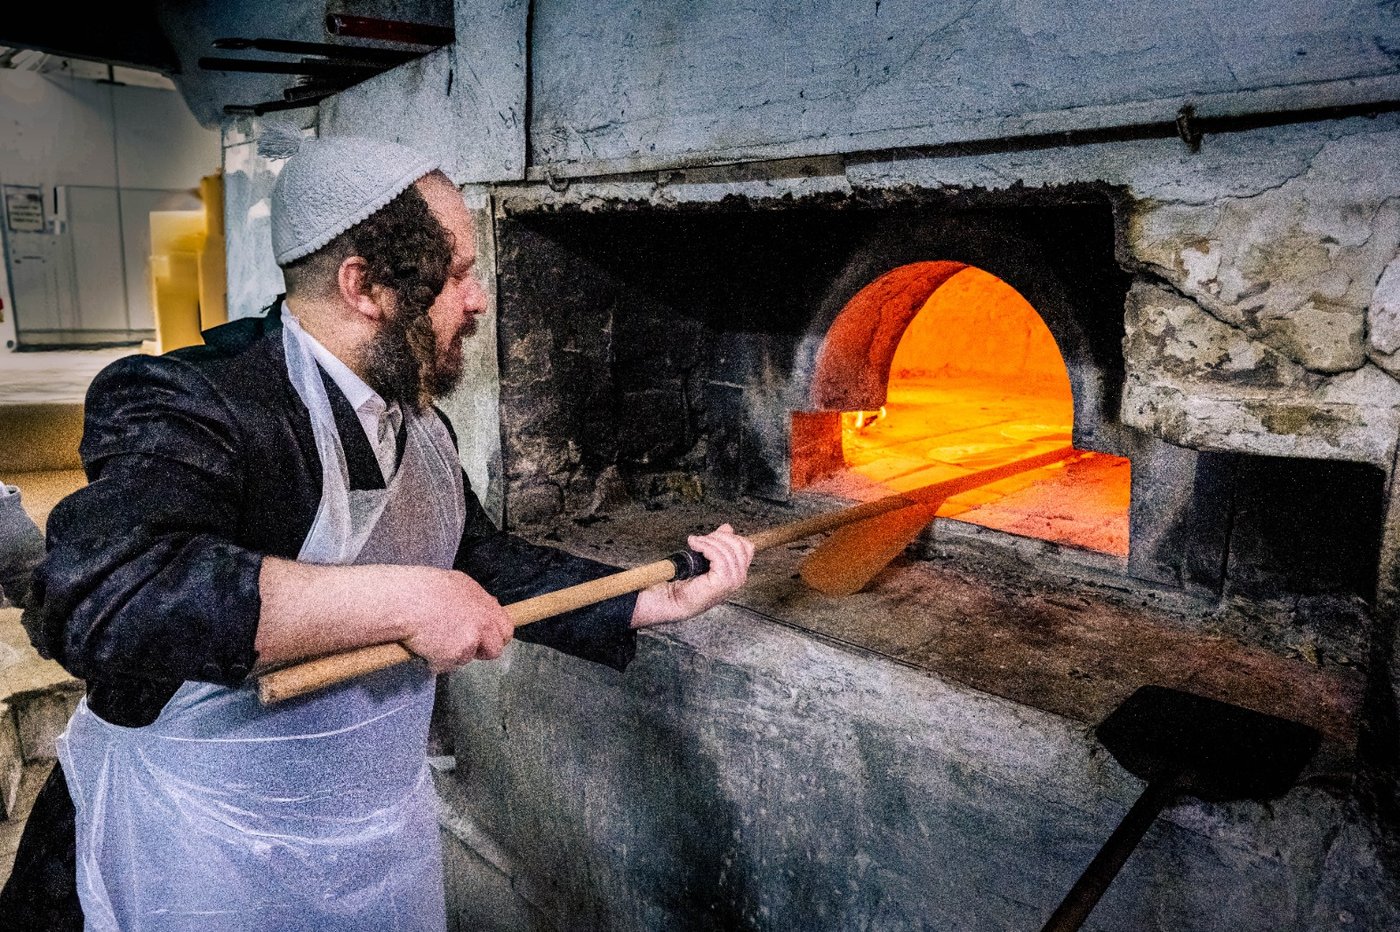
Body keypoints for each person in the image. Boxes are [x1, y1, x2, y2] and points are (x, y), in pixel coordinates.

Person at [0, 135, 754, 930]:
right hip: (186, 840)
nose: (478, 300)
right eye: (455, 274)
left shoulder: (415, 420)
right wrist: (399, 601)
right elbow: (106, 600)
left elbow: (472, 558)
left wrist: (643, 597)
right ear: (364, 286)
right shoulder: (189, 399)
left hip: (356, 834)